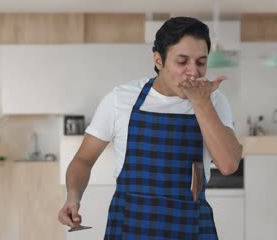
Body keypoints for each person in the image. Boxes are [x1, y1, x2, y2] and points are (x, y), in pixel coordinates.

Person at [58, 16, 242, 239]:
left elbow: (228, 164)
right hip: (130, 224)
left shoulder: (214, 101)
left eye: (201, 62)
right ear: (159, 60)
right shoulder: (121, 99)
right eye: (182, 62)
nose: (193, 71)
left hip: (189, 225)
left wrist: (201, 103)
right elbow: (83, 160)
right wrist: (73, 196)